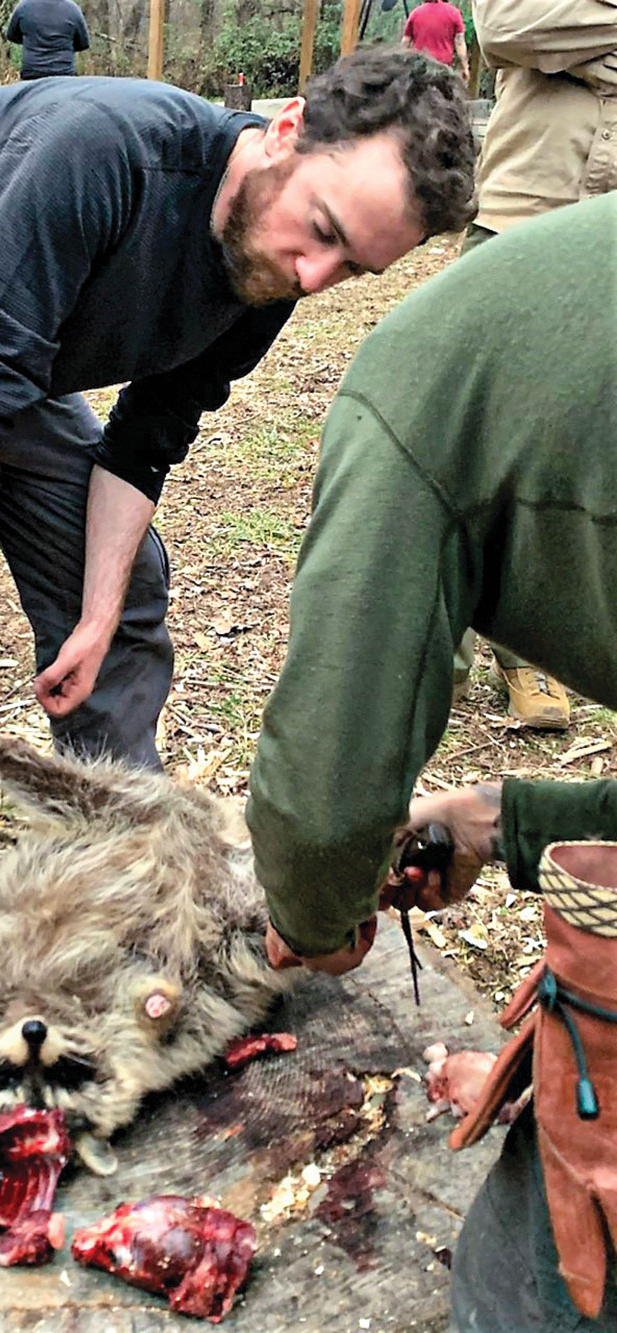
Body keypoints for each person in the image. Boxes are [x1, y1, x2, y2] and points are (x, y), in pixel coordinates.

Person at [0, 50, 476, 910]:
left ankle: (134, 873)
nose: (314, 276)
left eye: (353, 268)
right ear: (286, 131)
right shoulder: (102, 152)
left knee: (122, 591)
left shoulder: (270, 272)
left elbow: (144, 442)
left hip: (5, 331)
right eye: (321, 230)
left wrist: (92, 619)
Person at [245, 193, 617, 1329]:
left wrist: (314, 914)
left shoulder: (413, 388)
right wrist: (507, 816)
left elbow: (328, 773)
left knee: (533, 1281)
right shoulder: (556, 332)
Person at [450, 0, 617, 730]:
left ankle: (530, 654)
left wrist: (580, 43)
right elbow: (511, 25)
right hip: (524, 210)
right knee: (465, 448)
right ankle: (430, 649)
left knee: (576, 453)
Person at [5, 0, 89, 79]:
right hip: (64, 73)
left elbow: (11, 35)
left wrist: (31, 40)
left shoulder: (24, 6)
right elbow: (83, 43)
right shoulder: (73, 9)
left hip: (32, 73)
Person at [401, 0, 470, 81]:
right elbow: (460, 43)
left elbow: (406, 42)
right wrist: (465, 67)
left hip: (420, 68)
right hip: (443, 68)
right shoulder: (454, 13)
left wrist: (402, 63)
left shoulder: (415, 13)